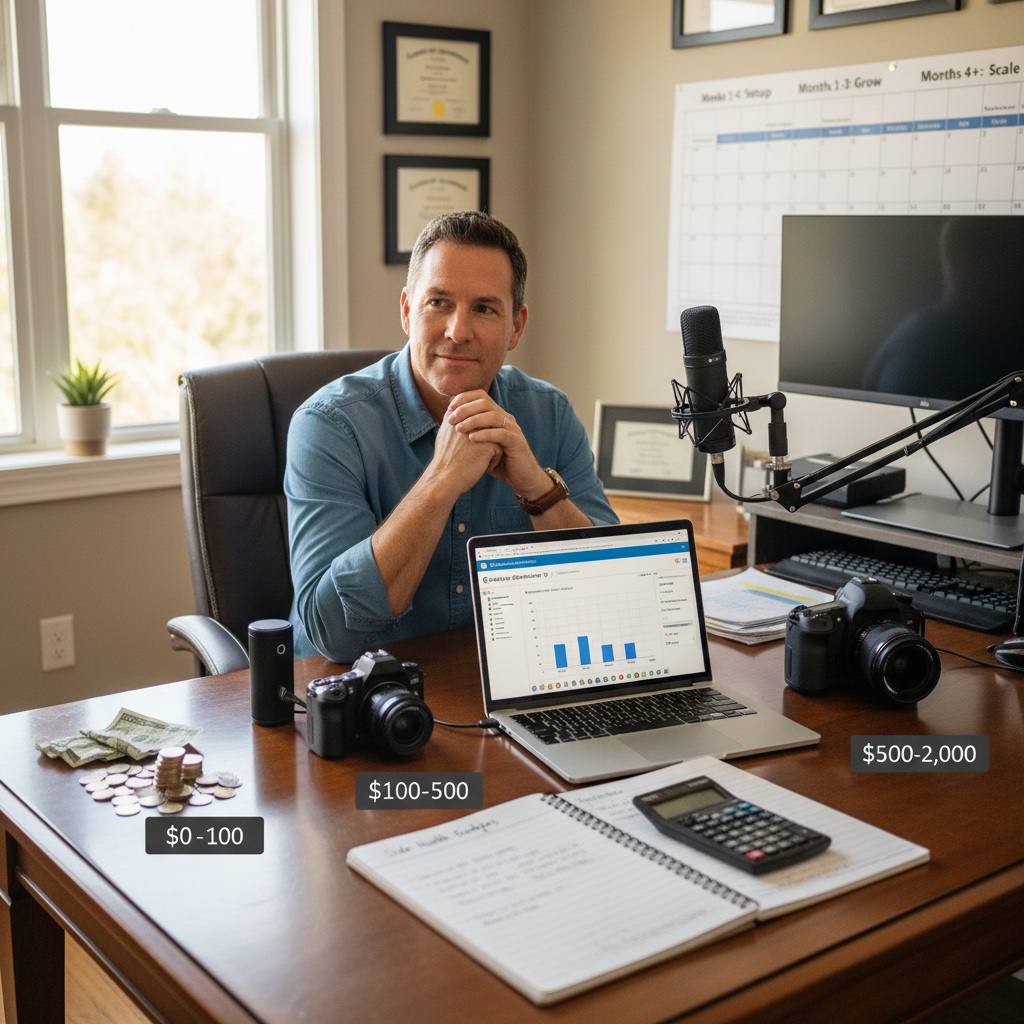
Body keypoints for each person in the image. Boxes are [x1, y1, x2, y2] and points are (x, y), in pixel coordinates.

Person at [285, 211, 617, 662]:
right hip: (358, 700)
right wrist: (440, 480)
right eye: (438, 302)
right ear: (407, 310)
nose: (458, 332)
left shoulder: (549, 413)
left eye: (484, 308)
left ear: (515, 327)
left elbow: (612, 596)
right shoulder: (329, 425)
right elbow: (334, 636)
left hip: (501, 686)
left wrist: (538, 490)